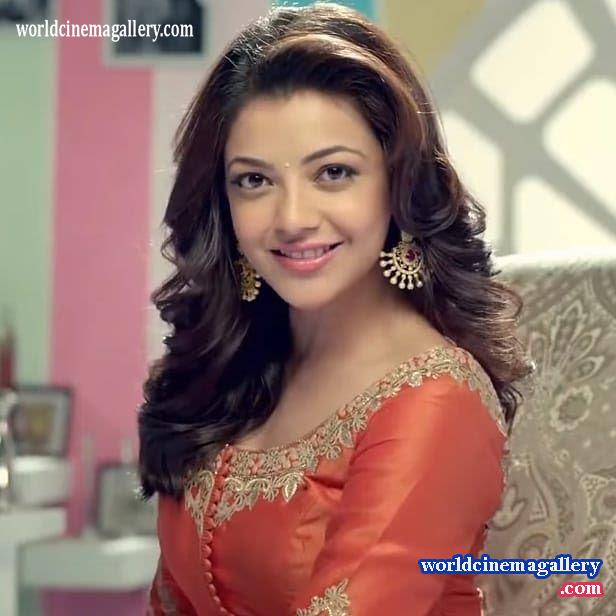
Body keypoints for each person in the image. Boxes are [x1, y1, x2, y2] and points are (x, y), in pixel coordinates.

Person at [139, 3, 534, 614]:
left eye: (333, 172)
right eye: (254, 181)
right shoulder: (234, 369)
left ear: (398, 184)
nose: (292, 218)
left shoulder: (435, 399)